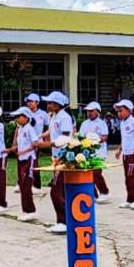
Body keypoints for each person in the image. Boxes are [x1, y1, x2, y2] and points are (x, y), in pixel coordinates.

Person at [41, 91, 74, 234]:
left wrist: (48, 144)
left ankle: (63, 221)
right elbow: (52, 132)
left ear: (57, 104)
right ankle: (63, 220)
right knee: (61, 191)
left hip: (64, 158)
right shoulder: (55, 116)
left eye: (50, 102)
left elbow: (65, 137)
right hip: (57, 158)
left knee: (56, 191)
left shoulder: (64, 117)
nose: (47, 105)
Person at [9, 106, 41, 222]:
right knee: (22, 185)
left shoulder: (29, 129)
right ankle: (26, 210)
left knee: (27, 185)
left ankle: (31, 211)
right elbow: (20, 144)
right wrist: (10, 150)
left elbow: (35, 144)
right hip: (21, 159)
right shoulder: (20, 129)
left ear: (26, 117)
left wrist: (24, 151)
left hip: (28, 159)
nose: (16, 119)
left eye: (19, 116)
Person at [114, 99, 134, 209]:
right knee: (127, 177)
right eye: (118, 111)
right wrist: (119, 149)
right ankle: (130, 199)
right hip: (126, 154)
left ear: (129, 110)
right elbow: (124, 139)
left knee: (133, 177)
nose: (119, 113)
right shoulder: (122, 123)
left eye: (121, 111)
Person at [79, 101, 110, 203]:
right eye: (88, 111)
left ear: (97, 111)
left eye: (91, 111)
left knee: (96, 173)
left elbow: (105, 137)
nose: (89, 113)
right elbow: (81, 136)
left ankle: (104, 192)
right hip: (87, 153)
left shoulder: (101, 123)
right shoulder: (84, 123)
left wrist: (95, 141)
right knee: (87, 174)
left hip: (99, 152)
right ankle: (93, 194)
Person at [24, 93, 50, 194]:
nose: (29, 103)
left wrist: (46, 141)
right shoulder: (25, 112)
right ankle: (23, 183)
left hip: (37, 141)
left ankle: (37, 185)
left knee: (34, 162)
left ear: (37, 102)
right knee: (24, 162)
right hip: (25, 141)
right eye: (28, 101)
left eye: (31, 101)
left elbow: (47, 128)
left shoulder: (43, 114)